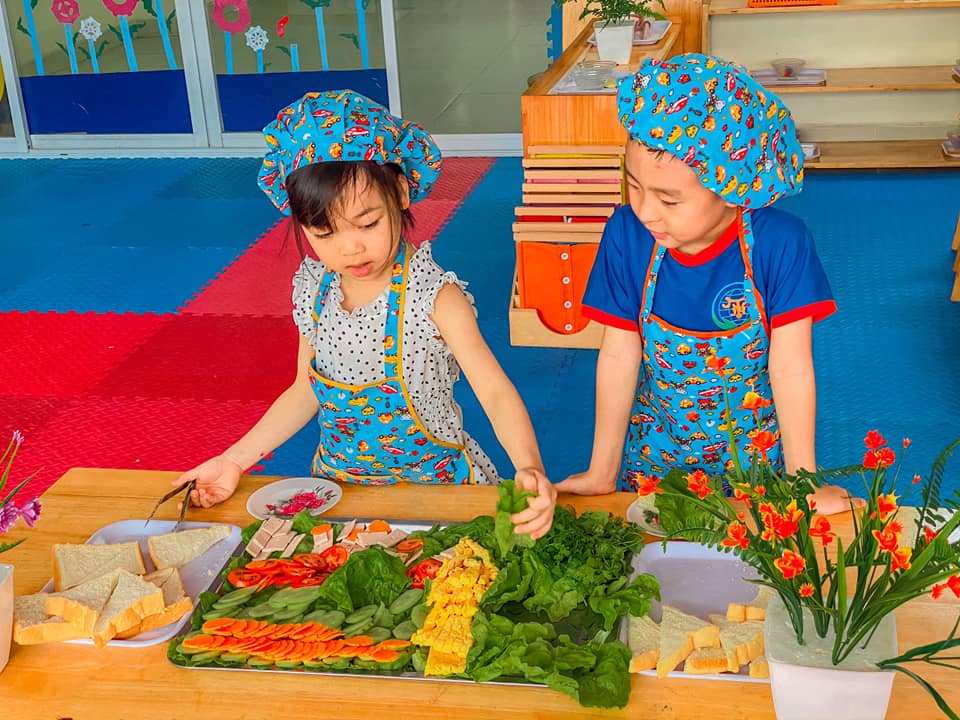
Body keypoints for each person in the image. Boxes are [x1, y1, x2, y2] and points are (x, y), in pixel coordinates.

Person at [176, 90, 555, 537]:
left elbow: (493, 390)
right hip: (341, 498)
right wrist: (234, 460)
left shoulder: (434, 297)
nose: (350, 248)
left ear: (401, 192)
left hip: (437, 495)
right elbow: (305, 389)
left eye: (368, 223)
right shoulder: (314, 292)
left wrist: (529, 465)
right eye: (324, 233)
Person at [556, 54, 858, 515]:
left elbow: (791, 369)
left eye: (669, 200)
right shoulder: (626, 235)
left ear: (735, 188)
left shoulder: (780, 243)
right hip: (655, 463)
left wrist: (803, 484)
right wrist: (602, 470)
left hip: (755, 472)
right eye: (633, 186)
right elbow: (618, 355)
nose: (645, 211)